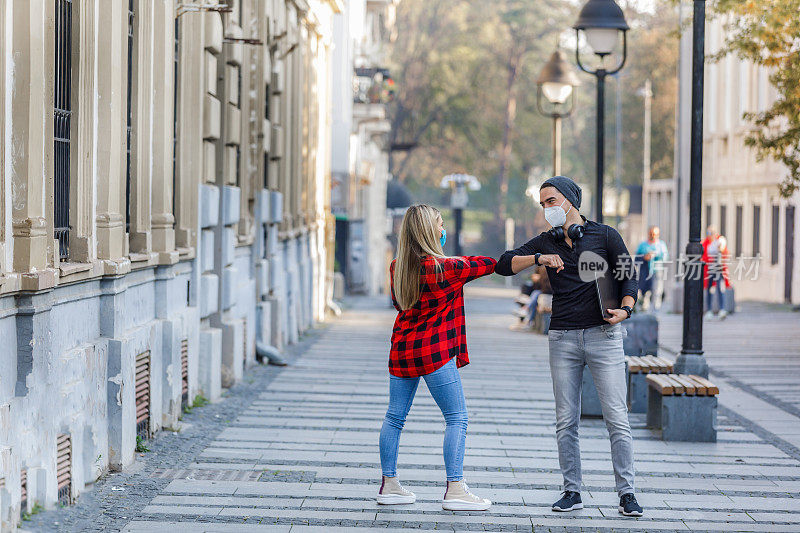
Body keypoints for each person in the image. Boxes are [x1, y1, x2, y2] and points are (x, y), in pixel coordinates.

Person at [495, 176, 644, 517]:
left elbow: (628, 273)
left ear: (571, 201)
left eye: (551, 201)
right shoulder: (545, 242)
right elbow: (504, 264)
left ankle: (627, 493)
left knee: (616, 418)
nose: (546, 208)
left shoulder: (605, 235)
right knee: (566, 421)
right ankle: (572, 491)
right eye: (542, 203)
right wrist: (538, 259)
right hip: (562, 338)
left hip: (603, 337)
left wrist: (626, 308)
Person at [379, 204, 496, 511]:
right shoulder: (449, 268)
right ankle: (455, 489)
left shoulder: (397, 267)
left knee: (394, 417)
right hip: (435, 352)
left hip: (403, 350)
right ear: (431, 232)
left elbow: (397, 302)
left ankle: (389, 485)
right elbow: (487, 263)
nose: (444, 229)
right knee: (457, 417)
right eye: (440, 225)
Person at [635, 226, 669, 311]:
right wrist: (644, 257)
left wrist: (656, 255)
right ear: (648, 234)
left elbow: (666, 257)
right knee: (645, 292)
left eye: (655, 234)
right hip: (644, 272)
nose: (653, 236)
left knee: (657, 291)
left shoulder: (661, 245)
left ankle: (656, 310)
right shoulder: (642, 245)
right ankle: (644, 309)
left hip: (657, 271)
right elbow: (636, 259)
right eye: (651, 234)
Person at [702, 226, 730, 319]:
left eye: (711, 233)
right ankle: (709, 310)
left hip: (719, 269)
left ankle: (722, 309)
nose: (709, 235)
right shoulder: (706, 243)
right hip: (710, 269)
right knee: (710, 289)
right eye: (708, 233)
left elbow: (722, 250)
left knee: (720, 288)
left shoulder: (720, 240)